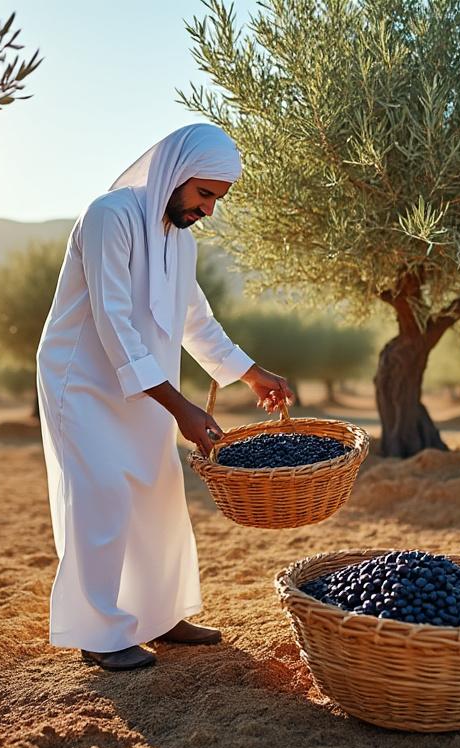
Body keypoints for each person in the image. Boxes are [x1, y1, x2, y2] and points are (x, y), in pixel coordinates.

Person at [36, 124, 294, 671]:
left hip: (150, 386)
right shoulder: (109, 216)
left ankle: (161, 615)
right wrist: (181, 408)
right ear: (176, 174)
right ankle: (101, 632)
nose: (208, 210)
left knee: (159, 492)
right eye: (204, 194)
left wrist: (252, 374)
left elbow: (196, 322)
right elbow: (112, 321)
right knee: (103, 493)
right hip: (82, 381)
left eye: (217, 199)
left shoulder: (182, 239)